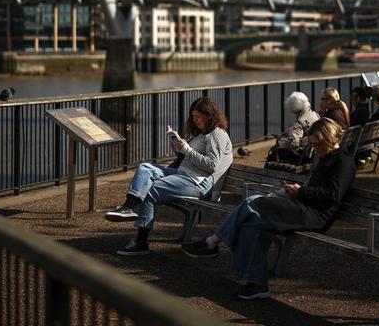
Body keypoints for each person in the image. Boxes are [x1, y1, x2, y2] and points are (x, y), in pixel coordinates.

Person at [181, 118, 356, 300]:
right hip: (305, 207)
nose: (315, 149)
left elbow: (332, 195)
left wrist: (300, 191)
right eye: (312, 144)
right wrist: (296, 191)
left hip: (316, 215)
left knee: (252, 202)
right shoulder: (328, 157)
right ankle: (257, 284)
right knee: (252, 224)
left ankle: (213, 242)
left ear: (328, 139)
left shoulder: (343, 161)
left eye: (317, 144)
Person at [105, 97, 233, 256]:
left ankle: (141, 242)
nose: (195, 120)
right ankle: (129, 207)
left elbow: (212, 165)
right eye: (193, 116)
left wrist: (187, 150)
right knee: (145, 167)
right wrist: (181, 149)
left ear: (209, 116)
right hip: (185, 175)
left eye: (199, 116)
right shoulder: (202, 134)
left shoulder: (217, 134)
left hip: (200, 183)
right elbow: (191, 158)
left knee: (152, 188)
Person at [265, 91, 321, 167]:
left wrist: (280, 140)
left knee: (273, 151)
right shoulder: (315, 114)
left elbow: (294, 143)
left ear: (295, 108)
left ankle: (267, 172)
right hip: (315, 151)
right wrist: (289, 133)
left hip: (304, 155)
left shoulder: (300, 122)